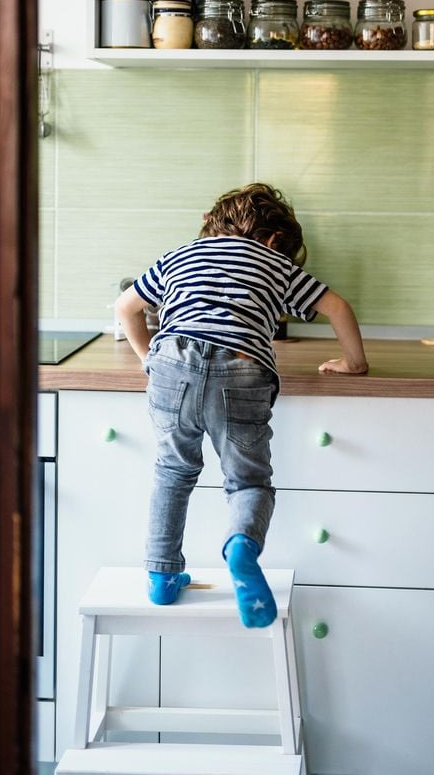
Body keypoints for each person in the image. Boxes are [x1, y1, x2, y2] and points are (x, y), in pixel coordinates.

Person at [115, 183, 368, 628]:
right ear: (274, 241)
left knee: (173, 473)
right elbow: (338, 307)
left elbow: (126, 307)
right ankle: (240, 547)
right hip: (242, 369)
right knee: (248, 482)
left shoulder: (180, 254)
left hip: (173, 363)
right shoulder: (275, 262)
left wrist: (149, 360)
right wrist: (354, 362)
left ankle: (160, 575)